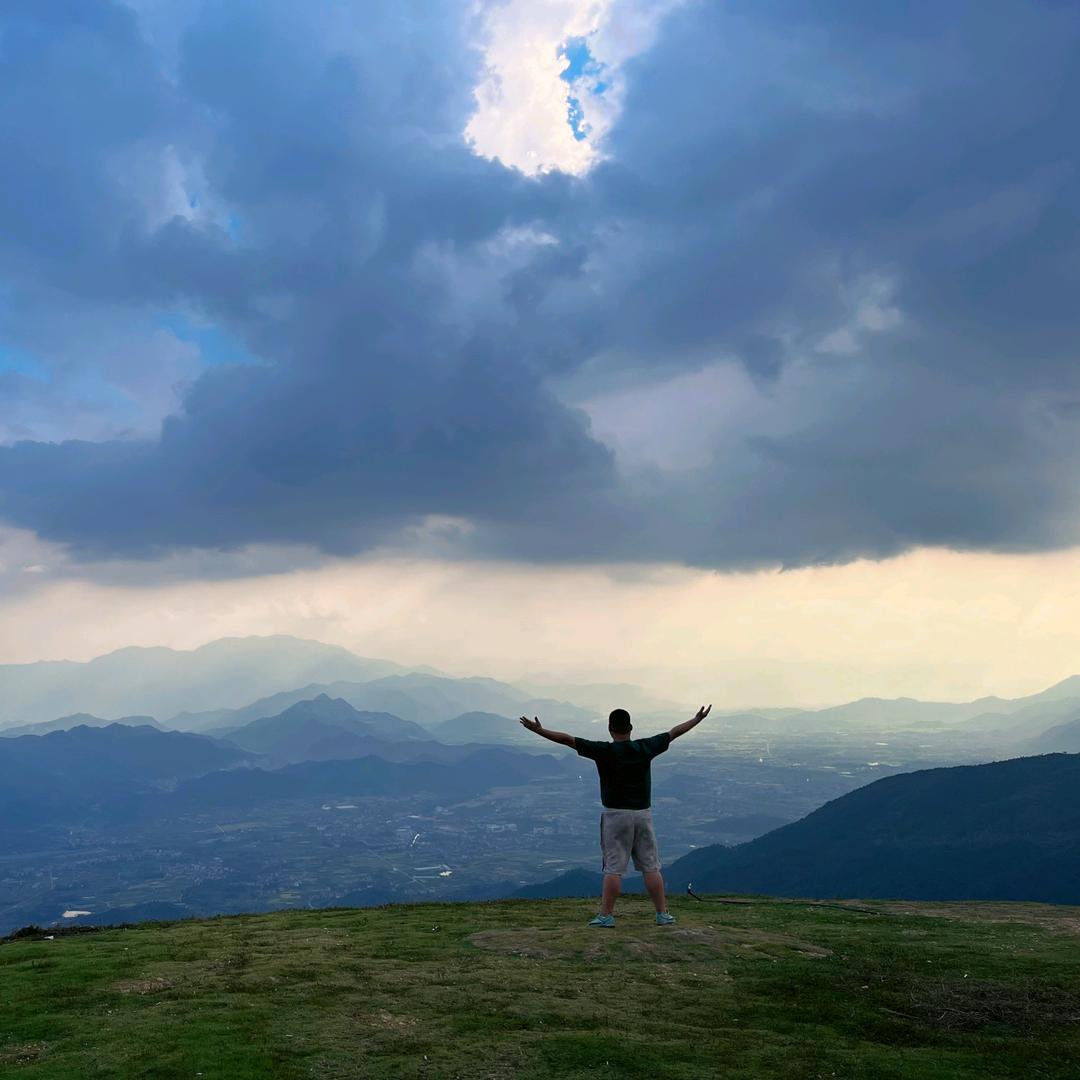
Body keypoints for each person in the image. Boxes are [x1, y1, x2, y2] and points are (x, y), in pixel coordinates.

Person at [519, 704, 712, 928]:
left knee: (614, 868)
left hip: (615, 816)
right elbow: (674, 733)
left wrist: (539, 731)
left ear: (610, 729)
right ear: (631, 727)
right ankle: (662, 914)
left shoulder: (604, 751)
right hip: (643, 814)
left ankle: (606, 916)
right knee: (651, 866)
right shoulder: (645, 747)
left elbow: (568, 740)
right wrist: (697, 719)